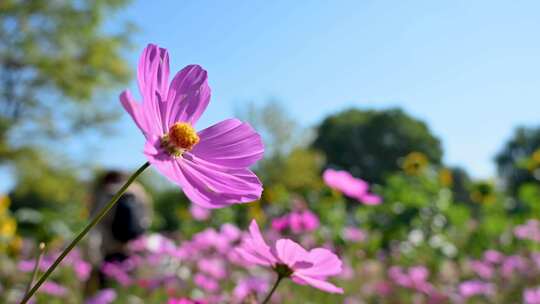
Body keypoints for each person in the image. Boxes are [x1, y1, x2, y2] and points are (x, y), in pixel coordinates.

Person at [85, 170, 152, 290]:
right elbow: (146, 220)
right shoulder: (139, 192)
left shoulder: (107, 191)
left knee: (107, 291)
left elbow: (96, 222)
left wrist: (93, 255)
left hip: (110, 249)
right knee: (128, 289)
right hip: (133, 250)